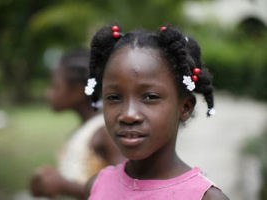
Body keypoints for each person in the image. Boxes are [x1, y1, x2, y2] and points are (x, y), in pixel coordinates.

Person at [84, 24, 229, 199]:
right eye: (114, 97)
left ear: (185, 107)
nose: (129, 115)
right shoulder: (97, 186)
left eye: (150, 97)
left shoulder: (205, 198)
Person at [30, 50, 123, 199]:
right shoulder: (84, 131)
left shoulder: (104, 132)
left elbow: (123, 191)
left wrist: (63, 186)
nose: (48, 93)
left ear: (78, 92)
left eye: (55, 86)